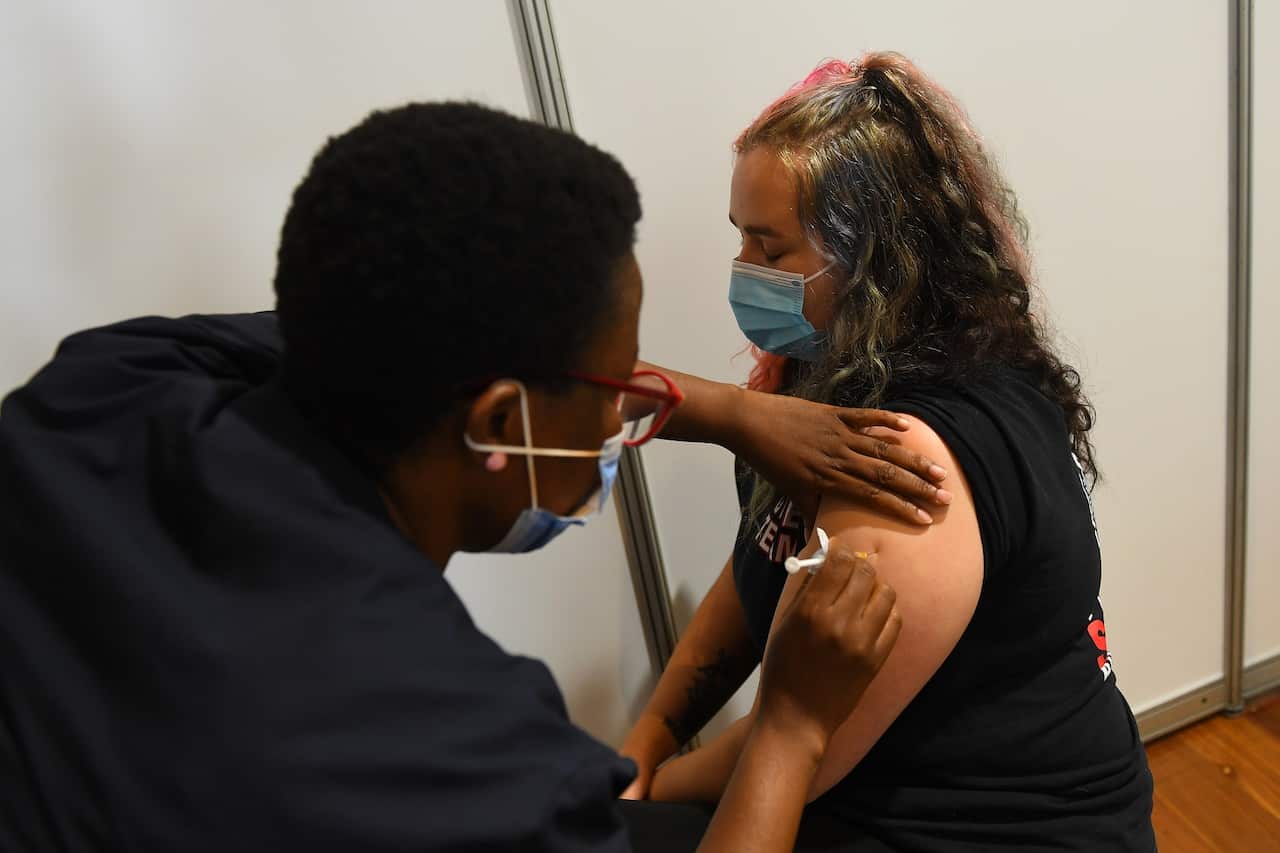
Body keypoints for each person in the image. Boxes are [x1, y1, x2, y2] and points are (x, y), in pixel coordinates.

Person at [0, 102, 957, 851]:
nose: (632, 403)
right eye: (611, 385)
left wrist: (729, 410)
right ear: (501, 422)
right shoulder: (443, 738)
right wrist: (789, 722)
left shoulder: (111, 386)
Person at [620, 53, 1157, 851]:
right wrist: (651, 734)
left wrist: (649, 788)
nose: (744, 274)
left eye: (771, 252)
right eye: (741, 241)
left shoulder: (899, 463)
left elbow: (804, 740)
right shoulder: (822, 383)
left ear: (873, 258)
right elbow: (761, 561)